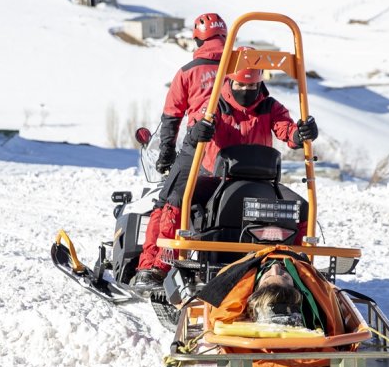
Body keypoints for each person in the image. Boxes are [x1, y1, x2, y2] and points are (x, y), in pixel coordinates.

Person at [132, 56, 320, 291]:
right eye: (241, 85)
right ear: (230, 82)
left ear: (259, 84)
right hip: (218, 180)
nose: (246, 90)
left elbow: (286, 129)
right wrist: (198, 131)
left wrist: (300, 134)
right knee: (177, 200)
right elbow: (199, 124)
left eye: (251, 86)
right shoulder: (215, 105)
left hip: (262, 183)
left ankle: (299, 268)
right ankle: (160, 267)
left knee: (302, 208)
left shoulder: (270, 107)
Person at [154, 13, 228, 176]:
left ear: (198, 40)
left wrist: (166, 155)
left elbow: (171, 117)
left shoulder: (187, 72)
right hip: (241, 147)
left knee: (176, 195)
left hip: (201, 145)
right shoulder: (241, 68)